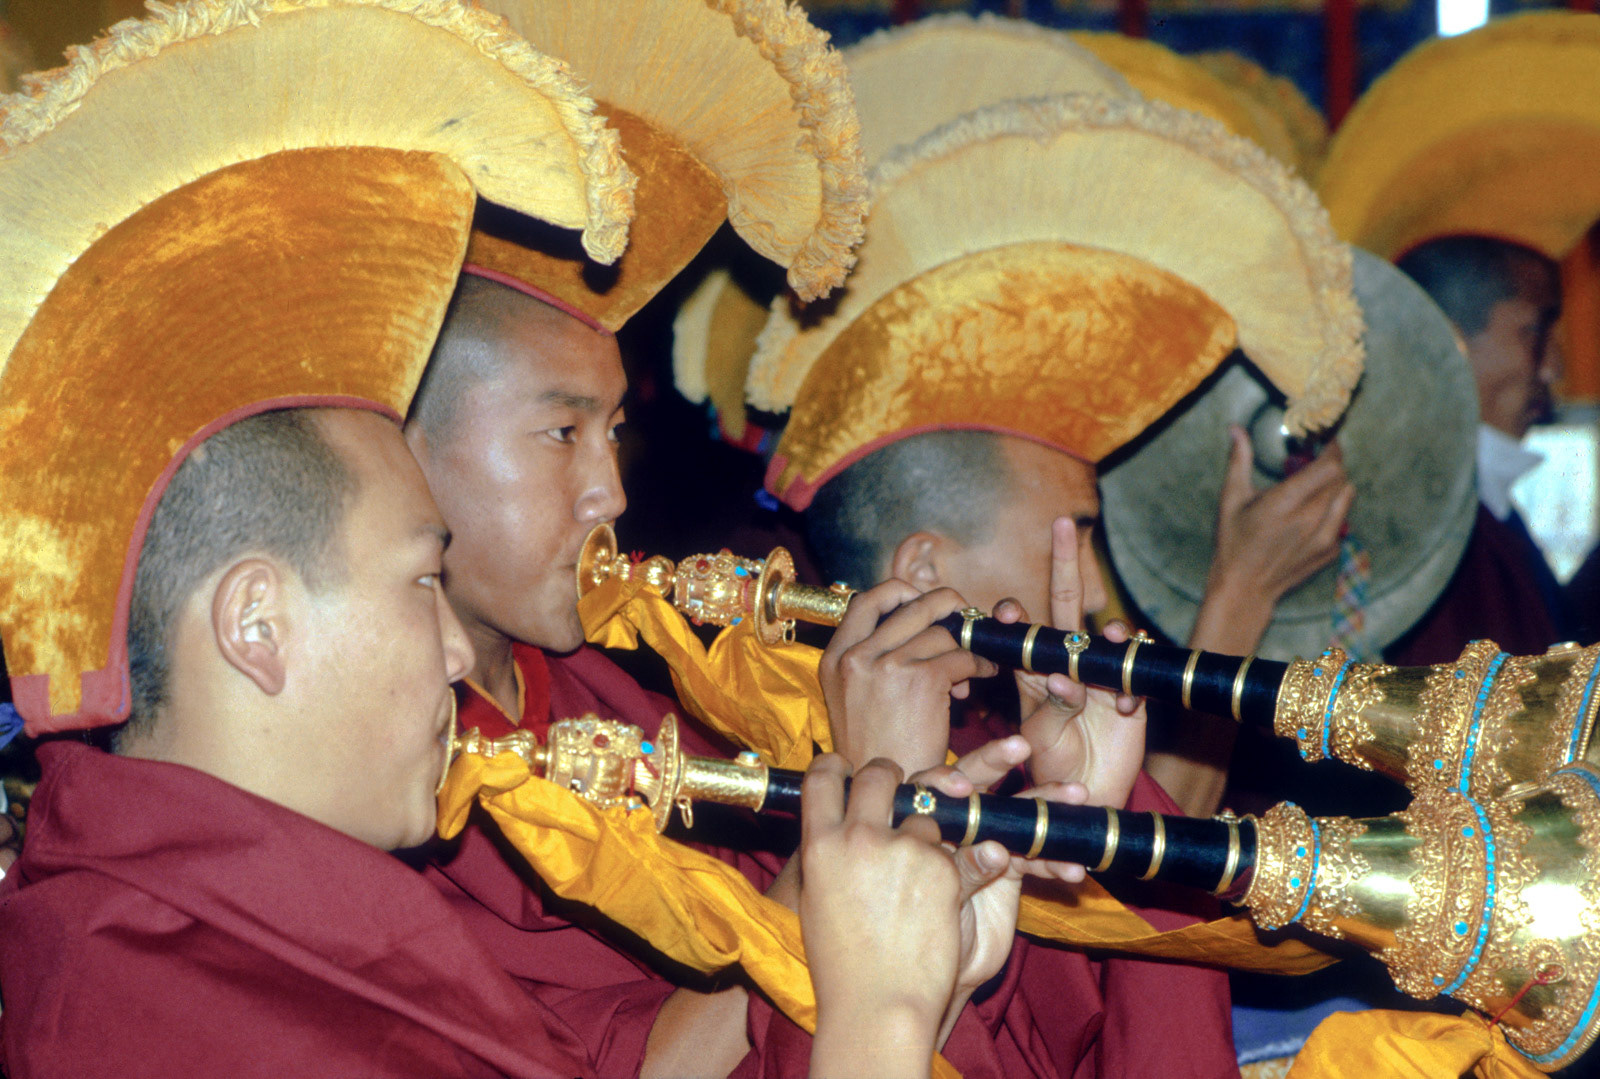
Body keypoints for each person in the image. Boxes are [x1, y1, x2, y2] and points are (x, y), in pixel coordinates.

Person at [0, 6, 995, 1077]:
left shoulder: (289, 899)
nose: (452, 653)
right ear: (255, 621)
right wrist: (877, 1012)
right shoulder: (143, 1004)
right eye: (419, 580)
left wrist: (892, 972)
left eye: (612, 432)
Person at [1384, 236, 1570, 662]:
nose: (1553, 367)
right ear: (1450, 343)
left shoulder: (1483, 504)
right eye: (1535, 332)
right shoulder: (1410, 523)